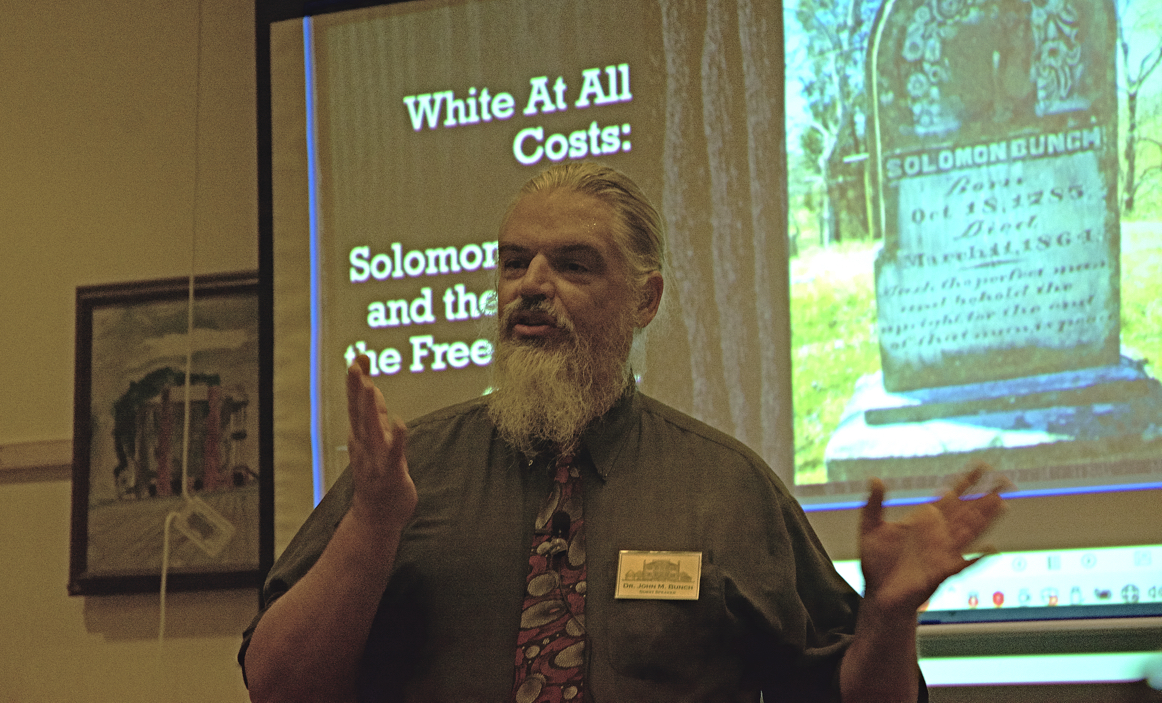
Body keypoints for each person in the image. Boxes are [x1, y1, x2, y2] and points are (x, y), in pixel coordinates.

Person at [239, 161, 1006, 702]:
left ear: (646, 300)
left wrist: (888, 618)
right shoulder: (406, 477)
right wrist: (372, 528)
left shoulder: (726, 489)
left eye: (573, 264)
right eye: (514, 264)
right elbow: (276, 686)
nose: (531, 285)